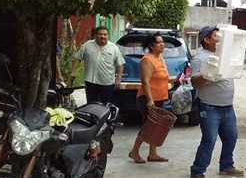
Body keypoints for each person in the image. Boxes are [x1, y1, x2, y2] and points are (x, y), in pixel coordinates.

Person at [189, 25, 243, 178]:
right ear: (206, 39)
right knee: (209, 140)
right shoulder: (200, 59)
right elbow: (195, 83)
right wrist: (207, 74)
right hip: (210, 108)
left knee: (231, 137)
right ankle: (197, 172)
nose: (219, 37)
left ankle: (226, 165)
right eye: (215, 35)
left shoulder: (223, 55)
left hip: (227, 106)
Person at [128, 33, 170, 164]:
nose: (162, 44)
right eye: (159, 42)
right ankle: (134, 152)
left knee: (157, 127)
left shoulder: (160, 58)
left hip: (160, 97)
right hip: (148, 98)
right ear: (151, 45)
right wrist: (150, 100)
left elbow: (162, 77)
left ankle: (152, 154)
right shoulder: (147, 60)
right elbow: (145, 82)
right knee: (148, 127)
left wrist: (179, 78)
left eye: (163, 42)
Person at [69, 26, 125, 103]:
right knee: (91, 105)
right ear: (95, 35)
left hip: (107, 83)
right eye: (100, 34)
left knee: (106, 106)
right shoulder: (87, 45)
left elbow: (120, 64)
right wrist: (73, 71)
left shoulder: (114, 48)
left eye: (105, 34)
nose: (103, 36)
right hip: (91, 82)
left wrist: (118, 79)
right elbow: (78, 58)